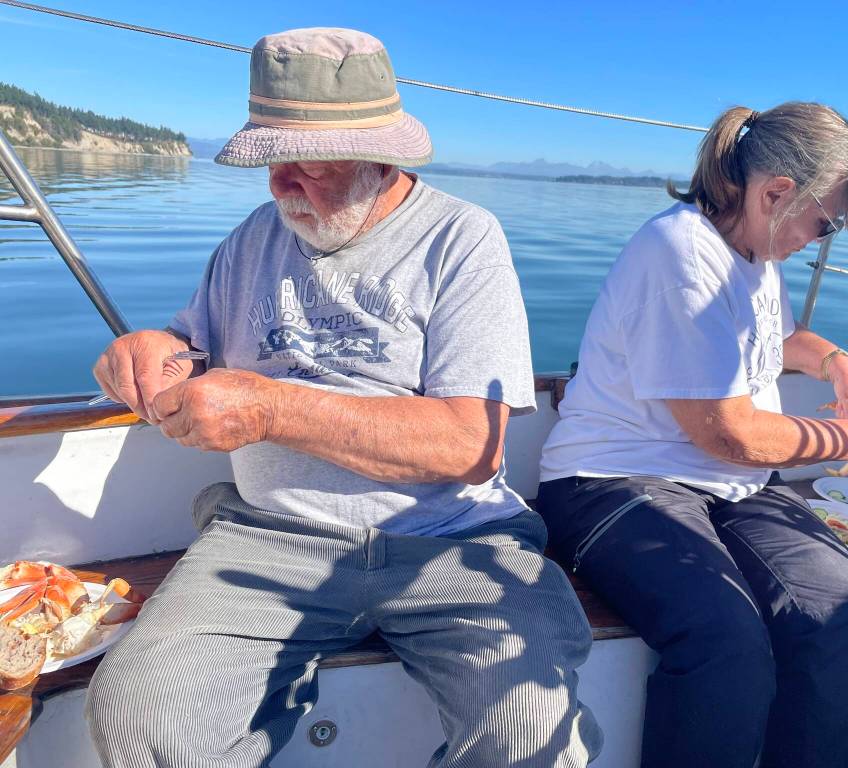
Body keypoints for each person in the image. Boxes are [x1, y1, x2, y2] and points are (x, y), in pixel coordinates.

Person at [86, 27, 600, 768]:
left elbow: (470, 445)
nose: (278, 185)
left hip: (453, 543)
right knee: (140, 710)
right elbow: (187, 353)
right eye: (270, 162)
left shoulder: (462, 239)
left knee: (531, 732)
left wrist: (269, 408)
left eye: (306, 165)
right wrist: (149, 356)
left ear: (380, 156)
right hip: (266, 539)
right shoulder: (247, 241)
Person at [536, 102, 848, 768]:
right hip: (610, 480)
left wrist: (837, 364)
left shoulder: (758, 249)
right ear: (776, 193)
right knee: (725, 642)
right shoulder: (680, 253)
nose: (823, 238)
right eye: (828, 221)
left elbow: (780, 341)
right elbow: (730, 434)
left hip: (729, 486)